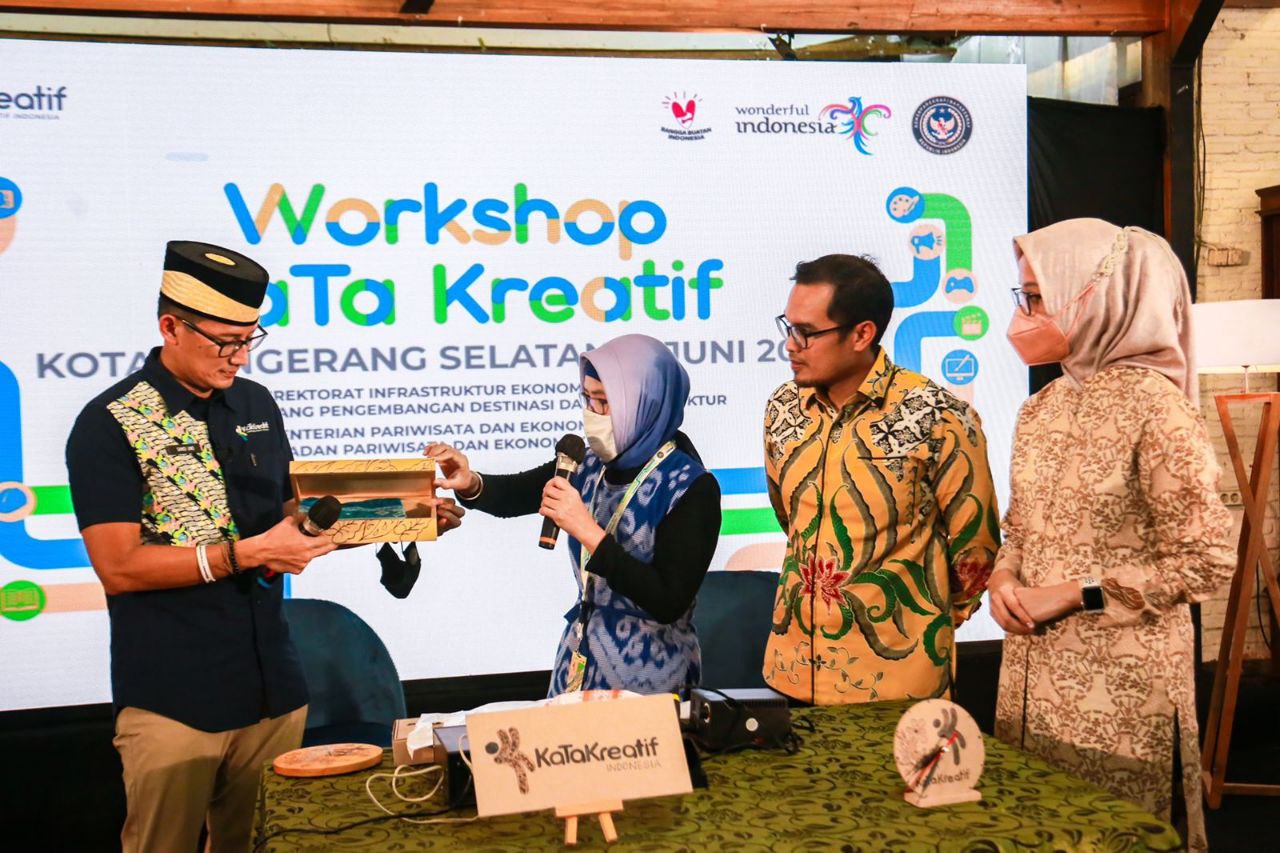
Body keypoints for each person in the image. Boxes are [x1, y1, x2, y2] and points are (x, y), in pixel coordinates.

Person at [64, 241, 461, 852]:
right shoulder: (111, 423)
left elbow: (289, 522)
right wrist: (245, 554)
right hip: (173, 697)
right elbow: (119, 568)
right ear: (170, 327)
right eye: (226, 342)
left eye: (250, 339)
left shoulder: (254, 403)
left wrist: (402, 515)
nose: (241, 356)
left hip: (272, 689)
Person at [989, 219, 1234, 851]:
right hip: (1030, 676)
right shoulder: (1040, 407)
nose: (1022, 316)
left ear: (1100, 296)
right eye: (1023, 296)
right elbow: (1020, 527)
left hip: (1122, 689)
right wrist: (1004, 575)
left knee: (1113, 835)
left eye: (1036, 298)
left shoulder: (1158, 408)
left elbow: (1206, 560)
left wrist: (1076, 592)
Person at [763, 254, 999, 704]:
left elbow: (976, 549)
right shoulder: (782, 408)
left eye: (807, 332)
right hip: (791, 670)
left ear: (862, 334)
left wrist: (923, 619)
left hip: (899, 682)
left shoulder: (936, 414)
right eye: (788, 327)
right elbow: (789, 518)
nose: (790, 345)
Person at [427, 334, 721, 695]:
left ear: (645, 404)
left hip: (651, 680)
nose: (592, 414)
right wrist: (470, 482)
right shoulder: (587, 464)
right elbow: (515, 495)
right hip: (579, 665)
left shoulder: (691, 487)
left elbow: (667, 600)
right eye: (587, 399)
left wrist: (588, 531)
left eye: (605, 402)